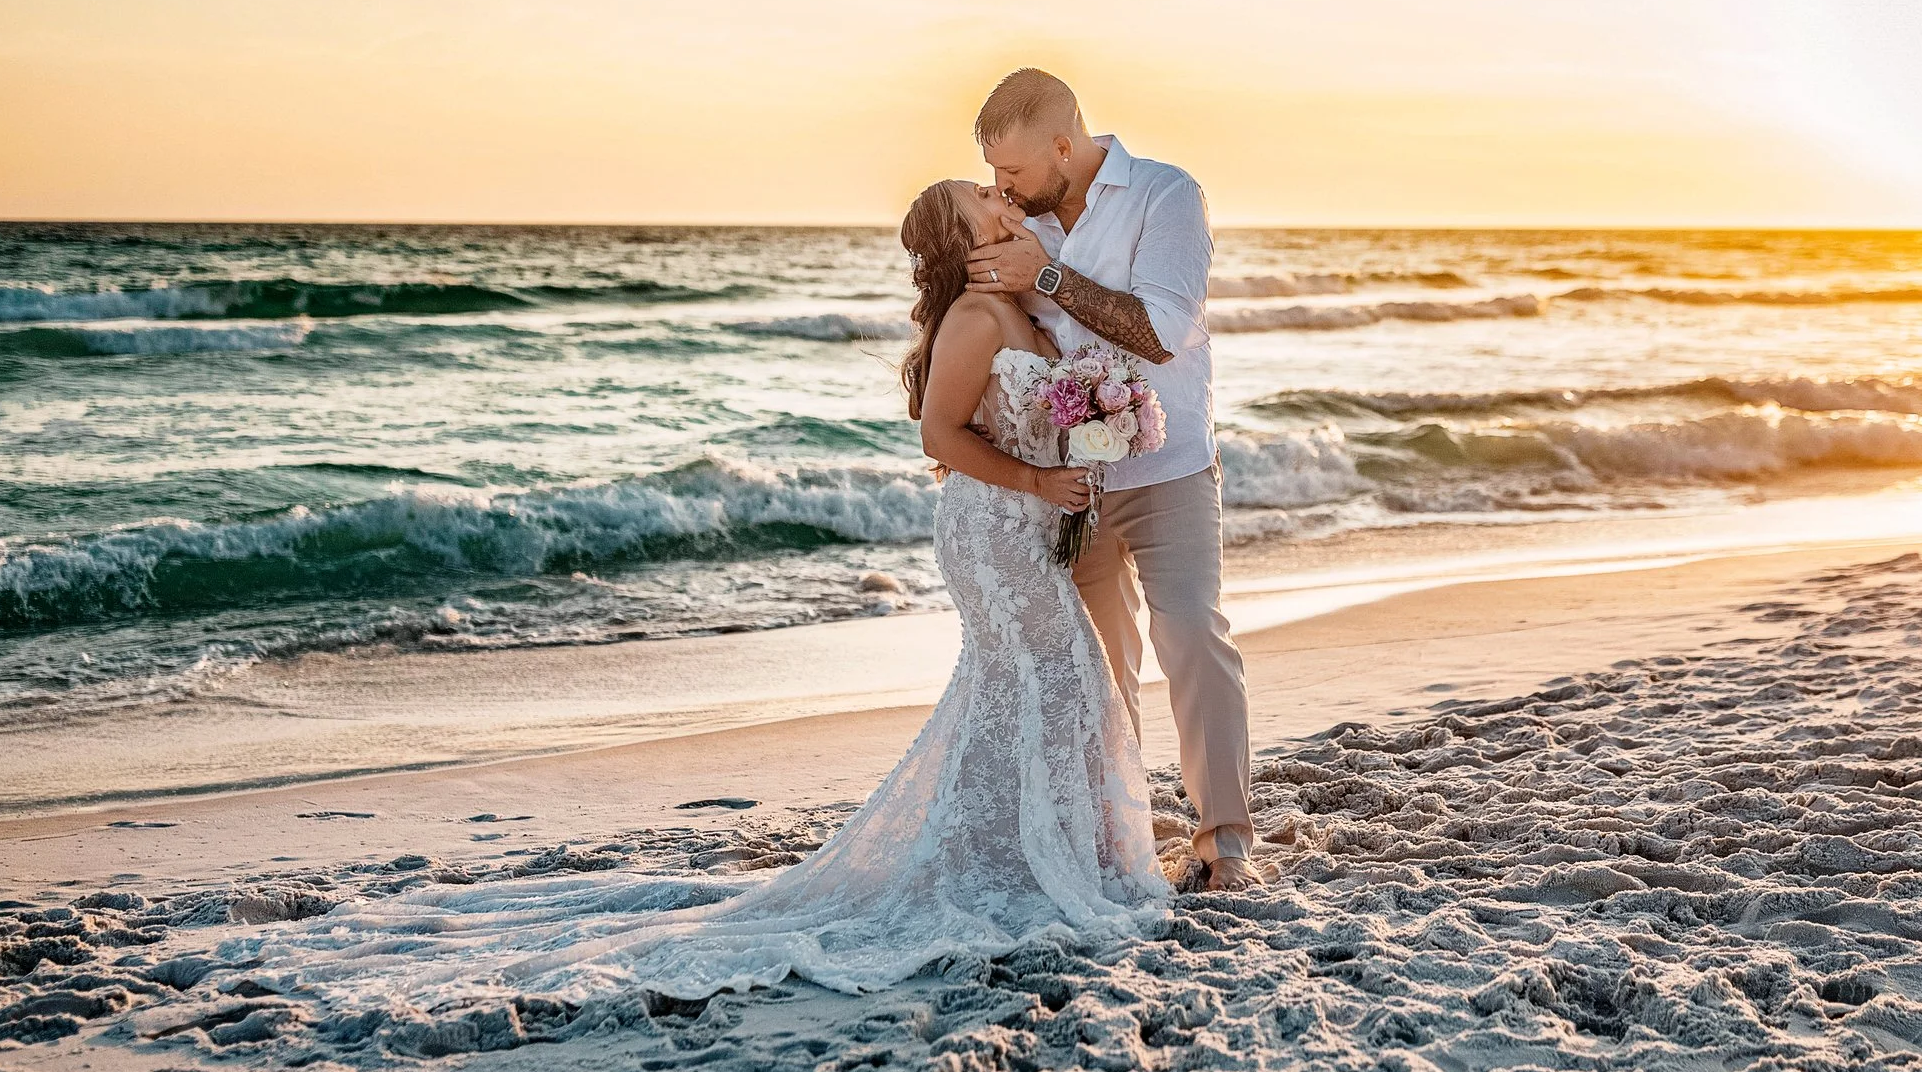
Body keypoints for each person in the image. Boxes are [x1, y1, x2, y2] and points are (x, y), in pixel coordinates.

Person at [217, 180, 1168, 1002]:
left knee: (1038, 685)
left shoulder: (1021, 310)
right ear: (965, 241)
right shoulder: (971, 318)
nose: (1001, 198)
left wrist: (1093, 435)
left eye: (995, 190)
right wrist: (1045, 482)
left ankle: (1033, 856)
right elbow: (939, 440)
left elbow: (1027, 416)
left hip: (1031, 530)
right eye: (982, 199)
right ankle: (1033, 865)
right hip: (993, 535)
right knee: (1048, 676)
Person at [963, 69, 1259, 894]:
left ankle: (1224, 840)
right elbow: (978, 329)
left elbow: (1163, 331)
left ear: (1065, 145)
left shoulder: (1165, 196)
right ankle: (1118, 838)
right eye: (993, 174)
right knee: (1099, 665)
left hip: (1170, 467)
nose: (1002, 188)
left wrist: (1046, 276)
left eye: (1014, 171)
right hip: (1070, 480)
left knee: (1193, 634)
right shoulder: (1014, 220)